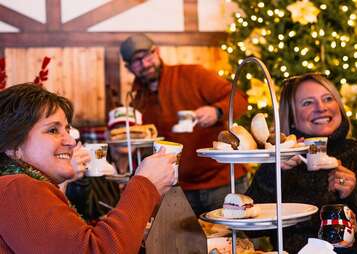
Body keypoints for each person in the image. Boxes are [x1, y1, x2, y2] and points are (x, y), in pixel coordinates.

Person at [0, 83, 176, 253]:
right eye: (53, 130)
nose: (70, 140)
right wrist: (146, 185)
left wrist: (129, 232)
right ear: (13, 147)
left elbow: (75, 244)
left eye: (67, 130)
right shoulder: (16, 188)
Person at [245, 73, 357, 253]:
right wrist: (273, 172)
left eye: (328, 99)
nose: (321, 108)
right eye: (308, 102)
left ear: (339, 107)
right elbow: (251, 229)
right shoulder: (278, 162)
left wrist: (353, 195)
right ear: (292, 117)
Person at [119, 33, 249, 215]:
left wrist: (217, 111)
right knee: (187, 243)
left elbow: (240, 98)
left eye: (147, 56)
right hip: (178, 189)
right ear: (128, 67)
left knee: (240, 241)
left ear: (157, 52)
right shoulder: (136, 99)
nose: (145, 64)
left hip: (223, 181)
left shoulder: (193, 75)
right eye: (136, 61)